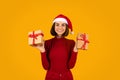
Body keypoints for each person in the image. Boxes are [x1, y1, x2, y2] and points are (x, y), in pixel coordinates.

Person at [34, 14, 78, 80]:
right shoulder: (47, 43)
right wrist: (42, 50)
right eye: (57, 25)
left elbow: (71, 66)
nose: (60, 27)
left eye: (63, 25)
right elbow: (46, 67)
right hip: (51, 77)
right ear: (53, 27)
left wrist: (76, 49)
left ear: (66, 27)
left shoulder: (71, 43)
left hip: (67, 77)